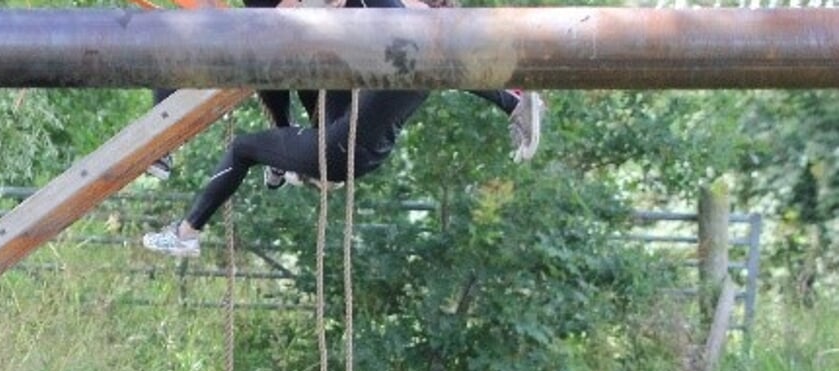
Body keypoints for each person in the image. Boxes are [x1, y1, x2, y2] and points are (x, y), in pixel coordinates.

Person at [141, 0, 544, 257]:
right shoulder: (411, 55)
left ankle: (187, 231)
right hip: (354, 143)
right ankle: (277, 159)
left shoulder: (414, 41)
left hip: (335, 148)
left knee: (243, 146)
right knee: (316, 61)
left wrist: (512, 101)